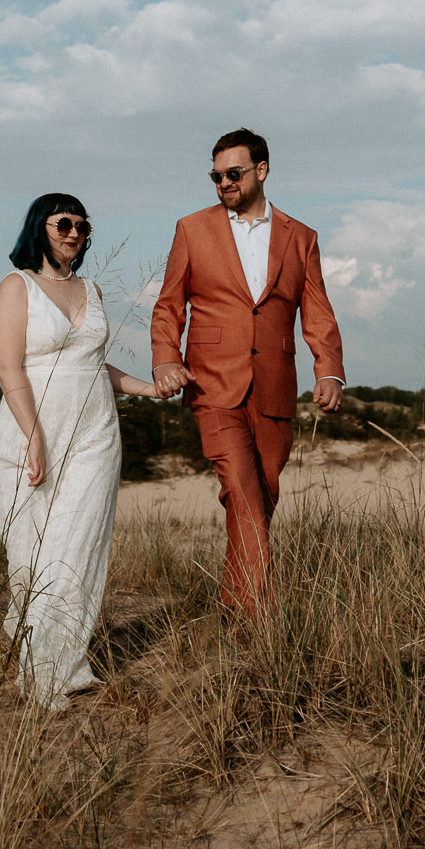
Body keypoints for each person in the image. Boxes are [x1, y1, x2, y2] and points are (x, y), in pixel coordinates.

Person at [150, 129, 345, 613]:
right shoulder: (193, 229)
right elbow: (168, 305)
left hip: (276, 388)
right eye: (216, 176)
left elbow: (317, 311)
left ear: (261, 170)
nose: (223, 183)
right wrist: (166, 359)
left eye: (233, 173)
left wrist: (329, 371)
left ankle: (236, 614)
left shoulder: (301, 238)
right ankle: (262, 627)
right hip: (212, 384)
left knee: (259, 501)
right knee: (242, 491)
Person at [0, 192, 160, 707]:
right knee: (29, 547)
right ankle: (30, 637)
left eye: (83, 227)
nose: (73, 233)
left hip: (95, 432)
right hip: (34, 425)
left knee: (78, 544)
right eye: (63, 223)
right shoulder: (17, 286)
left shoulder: (93, 289)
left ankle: (56, 668)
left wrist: (149, 389)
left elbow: (93, 366)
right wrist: (34, 436)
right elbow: (9, 367)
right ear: (39, 228)